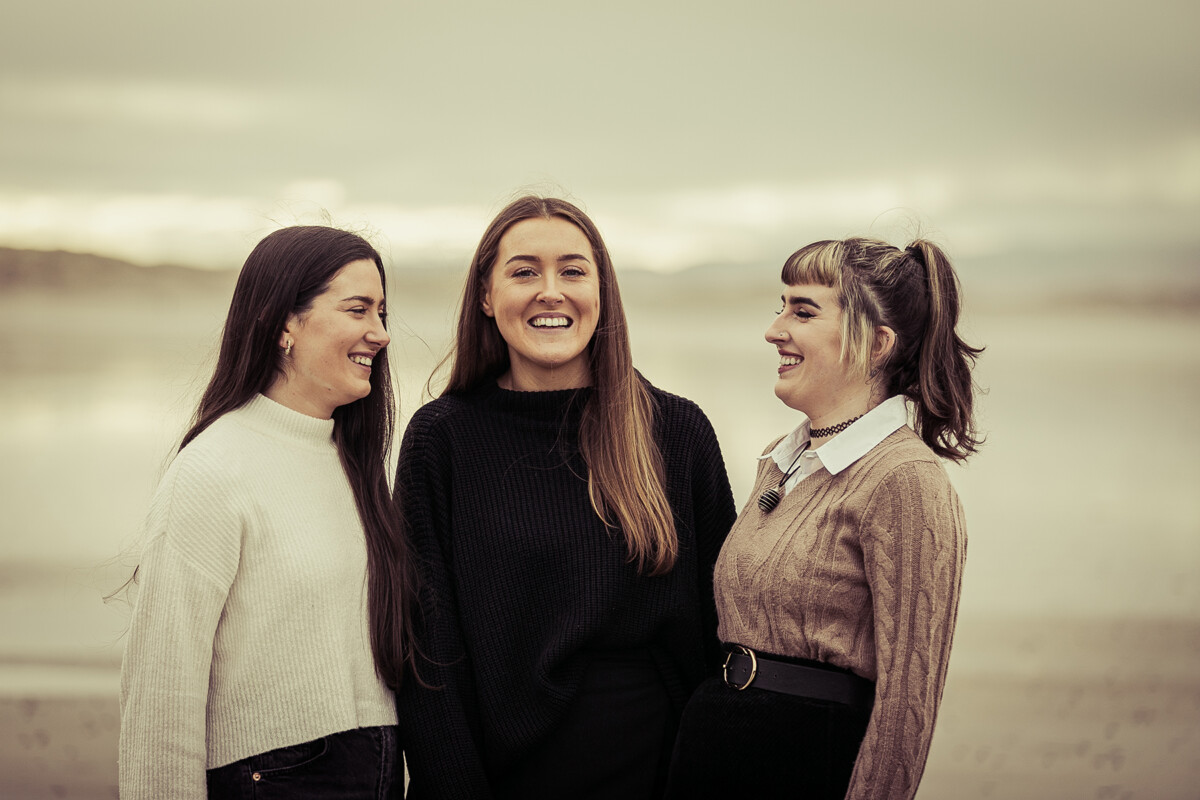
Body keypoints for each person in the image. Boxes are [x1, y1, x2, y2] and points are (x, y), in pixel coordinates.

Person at [387, 195, 737, 799]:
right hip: (498, 774)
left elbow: (720, 635)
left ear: (602, 294)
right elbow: (426, 649)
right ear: (486, 298)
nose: (551, 291)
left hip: (655, 769)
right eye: (524, 272)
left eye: (573, 271)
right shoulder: (440, 439)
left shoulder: (676, 433)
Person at [665, 237, 980, 800]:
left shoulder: (904, 479)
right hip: (714, 752)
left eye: (803, 311)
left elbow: (908, 704)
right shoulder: (781, 460)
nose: (775, 329)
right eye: (780, 306)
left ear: (877, 344)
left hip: (805, 765)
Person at [118, 226, 419, 799]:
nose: (379, 333)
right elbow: (161, 695)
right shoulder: (213, 469)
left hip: (378, 768)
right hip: (273, 780)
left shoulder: (353, 463)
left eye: (382, 312)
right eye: (358, 309)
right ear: (285, 321)